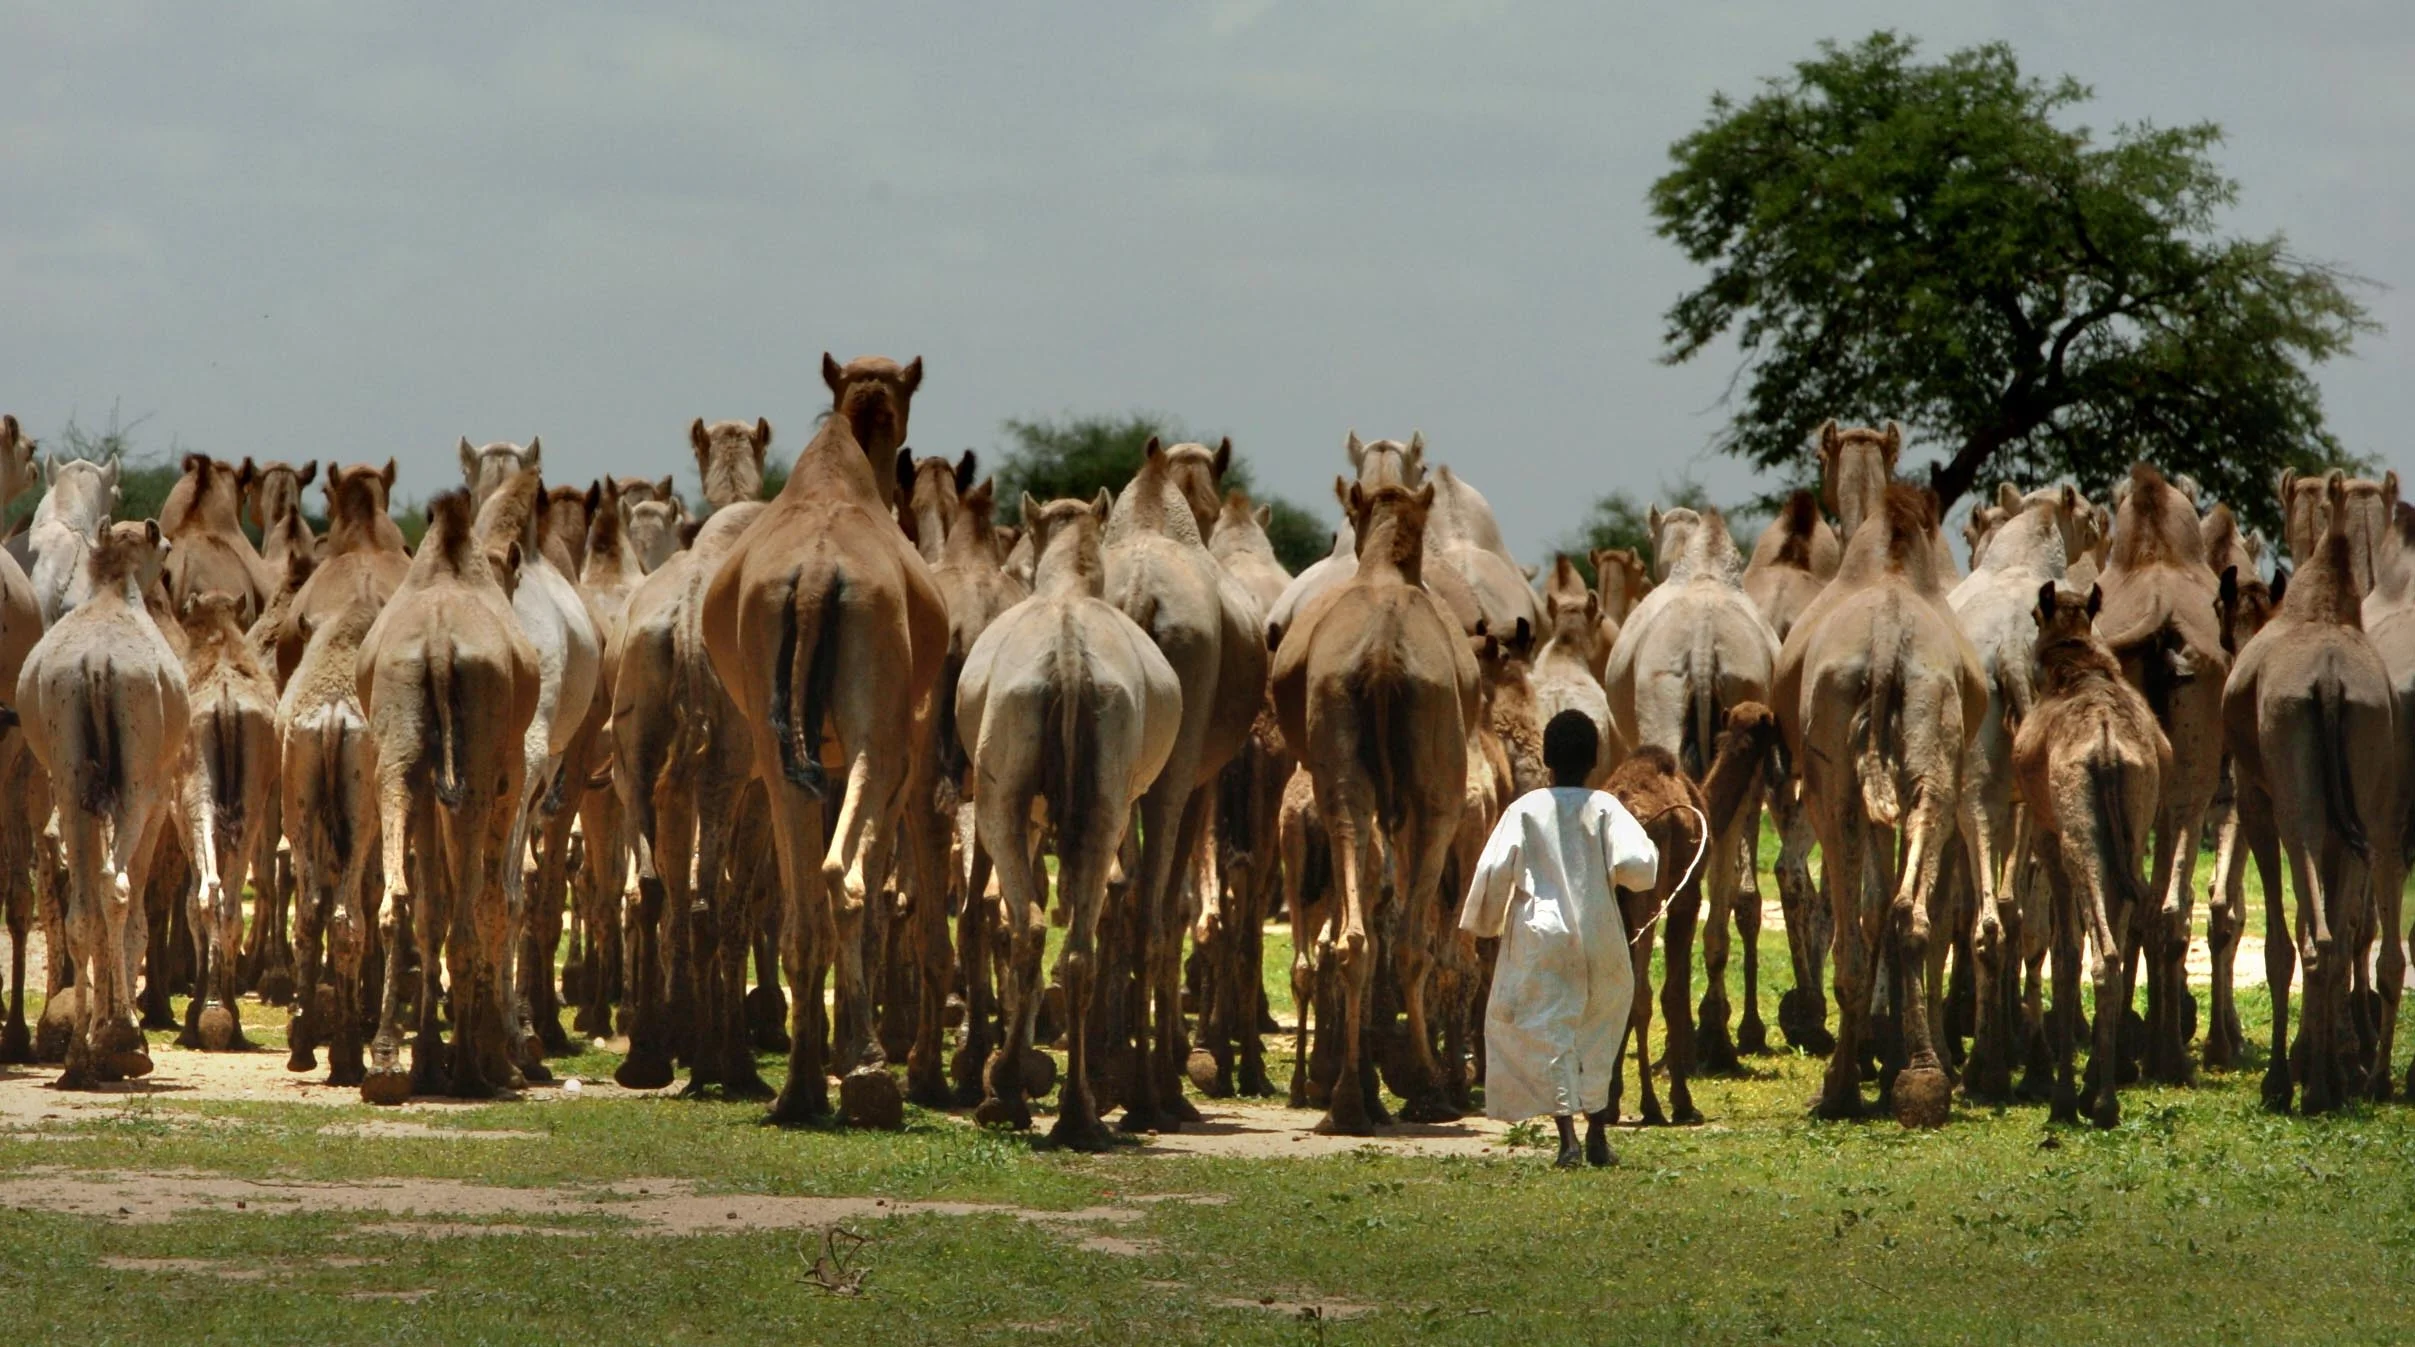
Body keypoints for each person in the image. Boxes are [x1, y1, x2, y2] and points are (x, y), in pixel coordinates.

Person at [1460, 709, 1658, 1168]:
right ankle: (1598, 1135)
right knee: (1598, 1026)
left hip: (1541, 937)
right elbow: (1640, 868)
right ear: (1594, 761)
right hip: (1600, 933)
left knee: (1551, 1029)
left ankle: (1566, 1137)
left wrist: (1486, 926)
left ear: (1547, 759)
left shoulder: (1524, 810)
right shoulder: (1606, 808)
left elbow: (1491, 870)